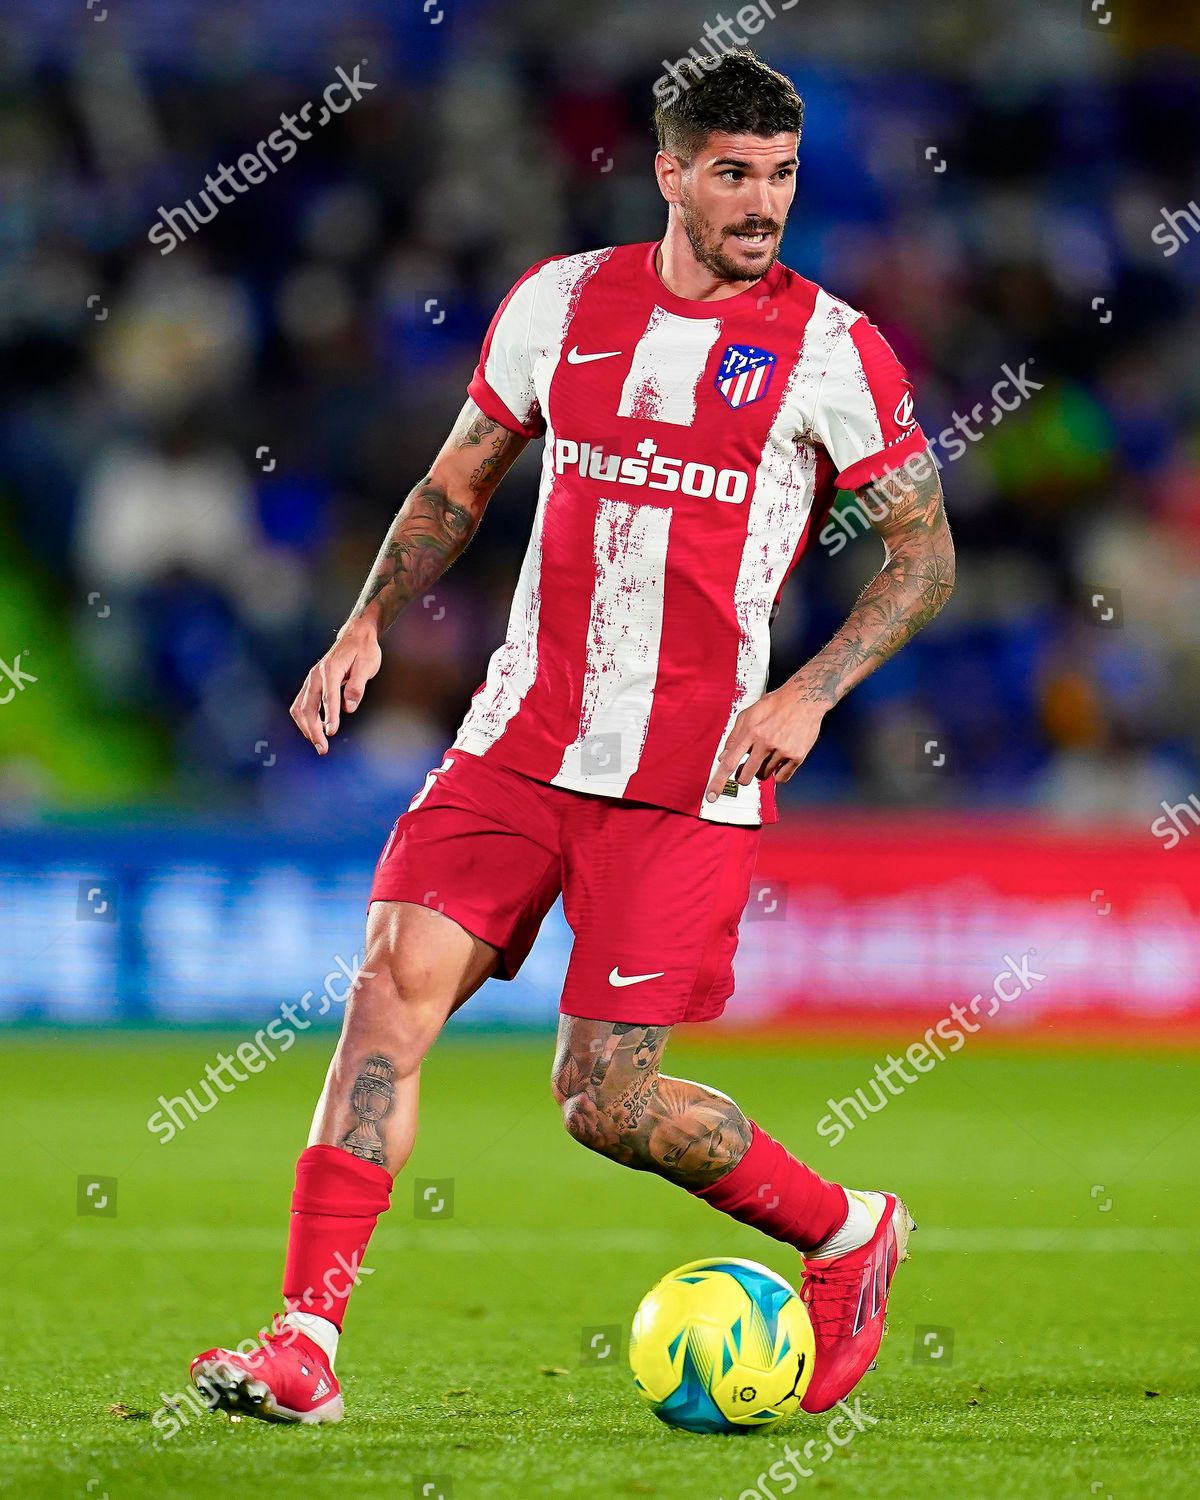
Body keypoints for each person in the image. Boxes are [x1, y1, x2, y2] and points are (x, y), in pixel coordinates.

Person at [190, 48, 954, 1426]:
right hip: (516, 741)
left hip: (689, 774)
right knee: (386, 994)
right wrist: (365, 620)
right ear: (670, 171)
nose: (761, 202)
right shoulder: (558, 305)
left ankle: (845, 1231)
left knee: (603, 1100)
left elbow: (923, 552)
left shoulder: (832, 348)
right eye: (732, 173)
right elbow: (457, 478)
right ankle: (307, 1341)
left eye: (781, 176)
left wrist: (814, 691)